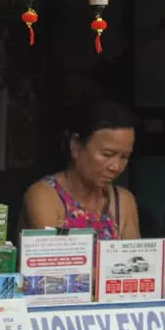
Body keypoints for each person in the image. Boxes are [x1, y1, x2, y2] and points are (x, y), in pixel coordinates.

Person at [21, 100, 141, 240]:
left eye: (125, 157)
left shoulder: (123, 202)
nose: (116, 166)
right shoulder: (44, 195)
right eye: (107, 154)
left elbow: (133, 258)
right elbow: (52, 257)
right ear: (75, 145)